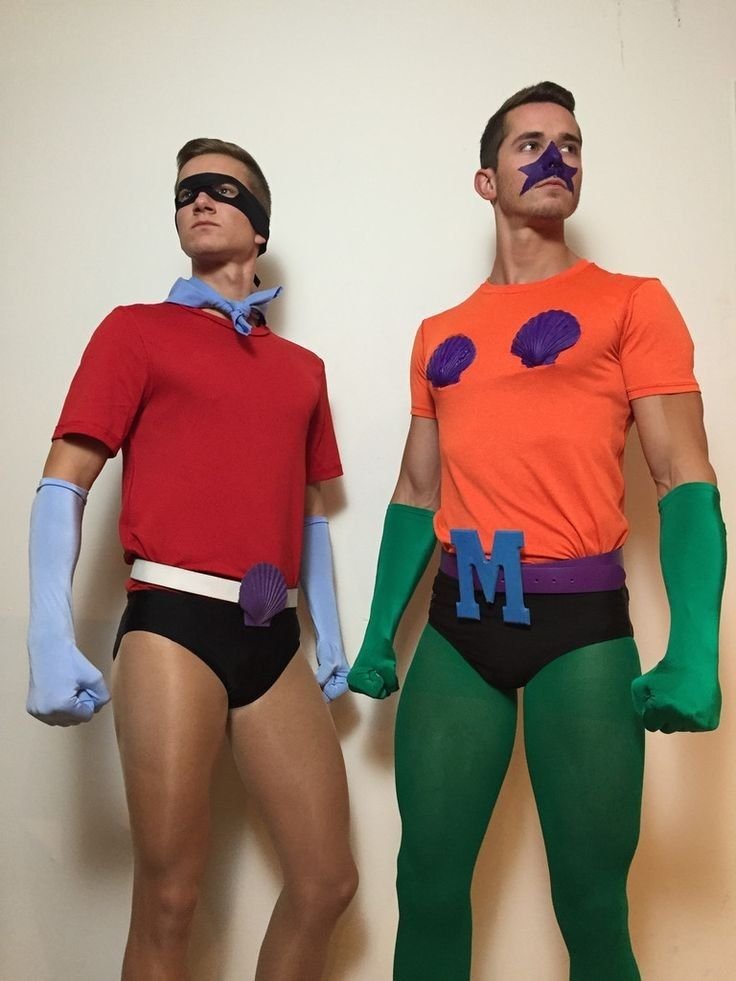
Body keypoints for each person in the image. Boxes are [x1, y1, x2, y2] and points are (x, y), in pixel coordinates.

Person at [348, 81, 726, 980]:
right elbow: (416, 488)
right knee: (426, 885)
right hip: (458, 624)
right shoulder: (440, 333)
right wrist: (377, 630)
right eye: (530, 143)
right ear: (486, 180)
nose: (557, 156)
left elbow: (683, 474)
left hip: (580, 629)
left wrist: (695, 649)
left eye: (572, 143)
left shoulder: (633, 303)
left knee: (591, 903)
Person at [26, 137, 357, 981]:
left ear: (260, 226)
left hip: (274, 630)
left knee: (327, 882)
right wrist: (48, 633)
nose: (198, 201)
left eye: (221, 190)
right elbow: (64, 480)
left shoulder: (302, 369)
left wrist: (330, 631)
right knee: (170, 895)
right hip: (172, 622)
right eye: (185, 193)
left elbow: (309, 510)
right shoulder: (135, 331)